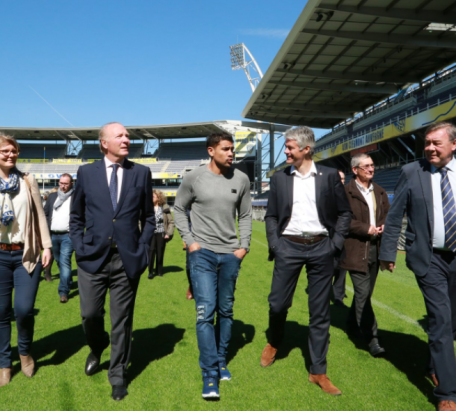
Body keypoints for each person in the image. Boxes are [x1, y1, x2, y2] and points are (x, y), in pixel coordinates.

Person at [379, 121, 456, 411]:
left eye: (436, 143)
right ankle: (447, 394)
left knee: (451, 322)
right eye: (427, 143)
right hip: (428, 258)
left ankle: (433, 364)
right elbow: (395, 216)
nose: (430, 148)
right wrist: (388, 253)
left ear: (454, 144)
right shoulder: (412, 172)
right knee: (440, 320)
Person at [260, 126, 351, 396]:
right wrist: (276, 244)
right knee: (277, 304)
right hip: (288, 247)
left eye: (289, 147)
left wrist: (334, 245)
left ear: (306, 149)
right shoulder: (279, 178)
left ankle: (318, 371)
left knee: (320, 311)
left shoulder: (330, 176)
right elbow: (272, 216)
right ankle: (275, 341)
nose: (285, 151)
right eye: (286, 147)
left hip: (322, 247)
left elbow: (344, 214)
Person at [69, 122, 154, 401]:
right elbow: (77, 216)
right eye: (120, 135)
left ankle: (117, 374)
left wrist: (142, 250)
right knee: (90, 315)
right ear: (104, 143)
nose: (127, 139)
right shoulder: (86, 172)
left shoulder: (141, 173)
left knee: (122, 321)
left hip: (127, 260)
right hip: (92, 258)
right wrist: (80, 247)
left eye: (128, 135)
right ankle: (97, 345)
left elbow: (149, 218)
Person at [0, 134, 53, 388]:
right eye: (4, 151)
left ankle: (25, 352)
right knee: (1, 312)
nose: (10, 154)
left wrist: (47, 246)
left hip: (27, 254)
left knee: (24, 310)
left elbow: (39, 216)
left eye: (14, 151)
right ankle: (5, 364)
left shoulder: (28, 180)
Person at [174, 132, 252, 400]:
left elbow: (245, 214)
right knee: (205, 313)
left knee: (226, 311)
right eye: (226, 149)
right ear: (211, 150)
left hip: (231, 255)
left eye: (233, 149)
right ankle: (209, 374)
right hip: (202, 254)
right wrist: (191, 242)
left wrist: (244, 247)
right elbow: (178, 208)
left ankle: (221, 360)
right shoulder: (193, 178)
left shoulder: (241, 179)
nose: (232, 154)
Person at [339, 154, 389, 357]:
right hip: (354, 250)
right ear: (355, 170)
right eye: (366, 166)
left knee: (365, 294)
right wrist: (364, 228)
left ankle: (351, 323)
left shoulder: (379, 191)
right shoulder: (345, 192)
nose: (371, 169)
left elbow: (388, 214)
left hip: (375, 251)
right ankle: (372, 338)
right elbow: (341, 219)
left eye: (372, 165)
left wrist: (386, 225)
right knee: (362, 295)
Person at [44, 173, 75, 302]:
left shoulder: (75, 197)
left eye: (65, 184)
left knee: (64, 261)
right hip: (53, 235)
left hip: (68, 236)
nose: (62, 186)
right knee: (58, 261)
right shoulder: (52, 197)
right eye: (61, 183)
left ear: (71, 184)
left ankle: (63, 291)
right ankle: (68, 280)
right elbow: (45, 214)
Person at [330, 169, 348, 306]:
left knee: (342, 268)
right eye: (339, 179)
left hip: (344, 237)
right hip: (329, 237)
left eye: (343, 179)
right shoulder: (326, 194)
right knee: (328, 267)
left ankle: (338, 296)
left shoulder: (348, 194)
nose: (341, 181)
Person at [147, 189, 174, 279]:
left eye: (153, 196)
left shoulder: (165, 207)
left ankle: (159, 271)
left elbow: (171, 222)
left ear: (158, 198)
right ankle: (150, 272)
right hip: (151, 234)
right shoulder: (148, 207)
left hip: (161, 233)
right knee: (151, 252)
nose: (151, 198)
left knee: (160, 252)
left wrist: (168, 233)